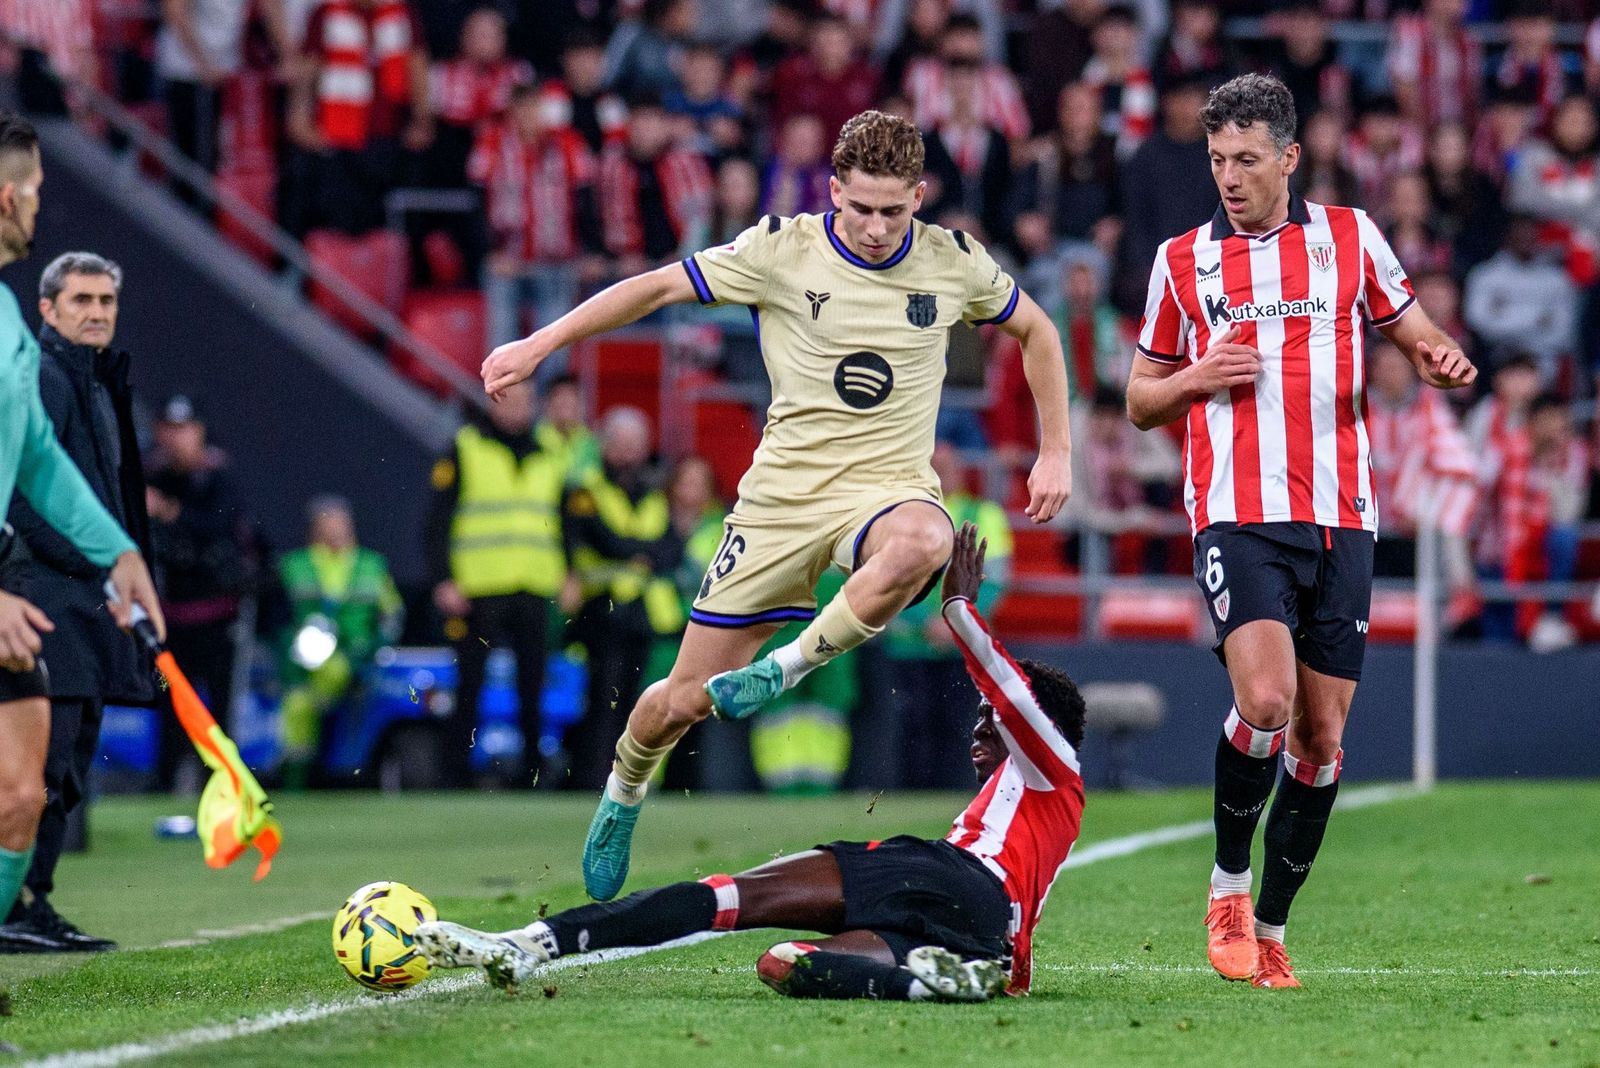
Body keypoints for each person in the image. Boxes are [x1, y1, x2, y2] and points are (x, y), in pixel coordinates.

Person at [479, 109, 1071, 900]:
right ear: (833, 190)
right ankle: (623, 790)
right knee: (677, 704)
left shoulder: (952, 262)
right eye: (859, 207)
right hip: (779, 505)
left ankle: (786, 668)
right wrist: (538, 344)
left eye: (893, 210)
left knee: (928, 537)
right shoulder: (780, 249)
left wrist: (1056, 450)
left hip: (884, 492)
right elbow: (656, 287)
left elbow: (1038, 331)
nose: (873, 225)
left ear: (920, 198)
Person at [1125, 74, 1476, 989]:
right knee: (1269, 702)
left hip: (1342, 514)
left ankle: (1272, 928)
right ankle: (1227, 886)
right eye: (1216, 160)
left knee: (1320, 740)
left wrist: (1434, 352)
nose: (1229, 177)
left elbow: (1410, 326)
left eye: (1246, 159)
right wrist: (1196, 378)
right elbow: (1138, 400)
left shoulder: (1352, 238)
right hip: (1237, 510)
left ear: (1288, 157)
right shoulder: (1180, 261)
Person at [412, 524, 1084, 1002]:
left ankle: (532, 943)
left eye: (987, 726)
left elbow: (1005, 685)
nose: (977, 733)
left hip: (953, 877)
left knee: (729, 897)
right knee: (785, 965)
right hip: (984, 938)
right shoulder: (1043, 807)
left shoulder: (1053, 763)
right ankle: (933, 979)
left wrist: (958, 605)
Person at [0, 114, 165, 953]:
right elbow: (33, 492)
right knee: (41, 766)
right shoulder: (39, 367)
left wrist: (121, 558)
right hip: (34, 592)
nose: (98, 313)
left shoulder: (76, 375)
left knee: (46, 776)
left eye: (108, 301)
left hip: (62, 594)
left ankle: (26, 906)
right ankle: (22, 907)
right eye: (83, 302)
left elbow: (59, 478)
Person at [424, 381, 565, 788]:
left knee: (533, 683)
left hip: (534, 583)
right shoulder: (465, 446)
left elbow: (563, 519)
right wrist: (443, 579)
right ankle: (457, 772)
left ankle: (532, 772)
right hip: (478, 586)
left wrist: (569, 570)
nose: (518, 408)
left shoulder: (550, 450)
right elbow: (437, 522)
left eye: (525, 399)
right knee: (469, 681)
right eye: (510, 399)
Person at [561, 407, 684, 791]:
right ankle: (592, 778)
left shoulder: (651, 492)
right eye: (623, 444)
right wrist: (640, 551)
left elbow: (671, 547)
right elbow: (600, 538)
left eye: (637, 445)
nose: (630, 454)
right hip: (601, 609)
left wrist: (636, 551)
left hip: (640, 613)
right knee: (602, 699)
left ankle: (624, 780)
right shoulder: (586, 486)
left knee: (634, 700)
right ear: (605, 444)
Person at [145, 394, 257, 791]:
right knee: (171, 707)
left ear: (200, 432)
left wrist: (170, 512)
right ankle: (164, 787)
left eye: (185, 429)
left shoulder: (218, 477)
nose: (177, 439)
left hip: (218, 615)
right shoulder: (151, 475)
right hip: (170, 617)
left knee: (220, 708)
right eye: (170, 429)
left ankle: (225, 788)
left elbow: (220, 529)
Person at [884, 445, 1010, 789]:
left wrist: (951, 621)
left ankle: (958, 798)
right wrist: (930, 622)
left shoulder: (985, 514)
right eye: (934, 467)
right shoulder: (901, 516)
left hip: (960, 648)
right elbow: (889, 579)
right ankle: (913, 801)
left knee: (962, 729)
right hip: (911, 646)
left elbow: (995, 582)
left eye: (947, 466)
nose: (942, 474)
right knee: (913, 728)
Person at [276, 495, 402, 789]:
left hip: (354, 656)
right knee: (297, 704)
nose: (336, 529)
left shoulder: (372, 565)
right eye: (328, 521)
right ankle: (296, 779)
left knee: (317, 689)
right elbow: (279, 618)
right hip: (303, 660)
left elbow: (392, 614)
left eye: (340, 521)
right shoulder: (294, 565)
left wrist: (373, 645)